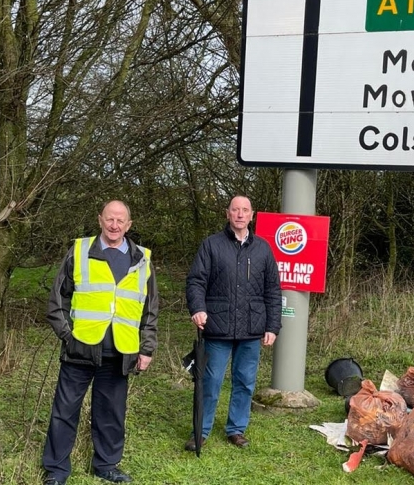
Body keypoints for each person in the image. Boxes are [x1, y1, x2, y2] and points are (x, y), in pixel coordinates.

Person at [43, 200, 158, 484]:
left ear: (129, 225)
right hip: (80, 349)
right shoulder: (80, 251)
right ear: (100, 220)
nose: (114, 225)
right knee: (64, 412)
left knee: (111, 413)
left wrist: (147, 348)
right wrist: (68, 337)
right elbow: (57, 298)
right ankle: (56, 471)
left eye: (120, 221)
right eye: (109, 219)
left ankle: (106, 465)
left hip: (121, 351)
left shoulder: (142, 259)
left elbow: (150, 308)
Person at [184, 195, 282, 450]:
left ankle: (236, 429)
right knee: (211, 381)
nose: (240, 214)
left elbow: (272, 289)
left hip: (251, 328)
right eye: (235, 210)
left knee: (245, 381)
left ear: (252, 215)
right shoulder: (211, 245)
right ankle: (201, 431)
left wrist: (273, 326)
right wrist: (198, 308)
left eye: (245, 210)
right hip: (217, 327)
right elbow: (196, 281)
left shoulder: (262, 249)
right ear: (227, 214)